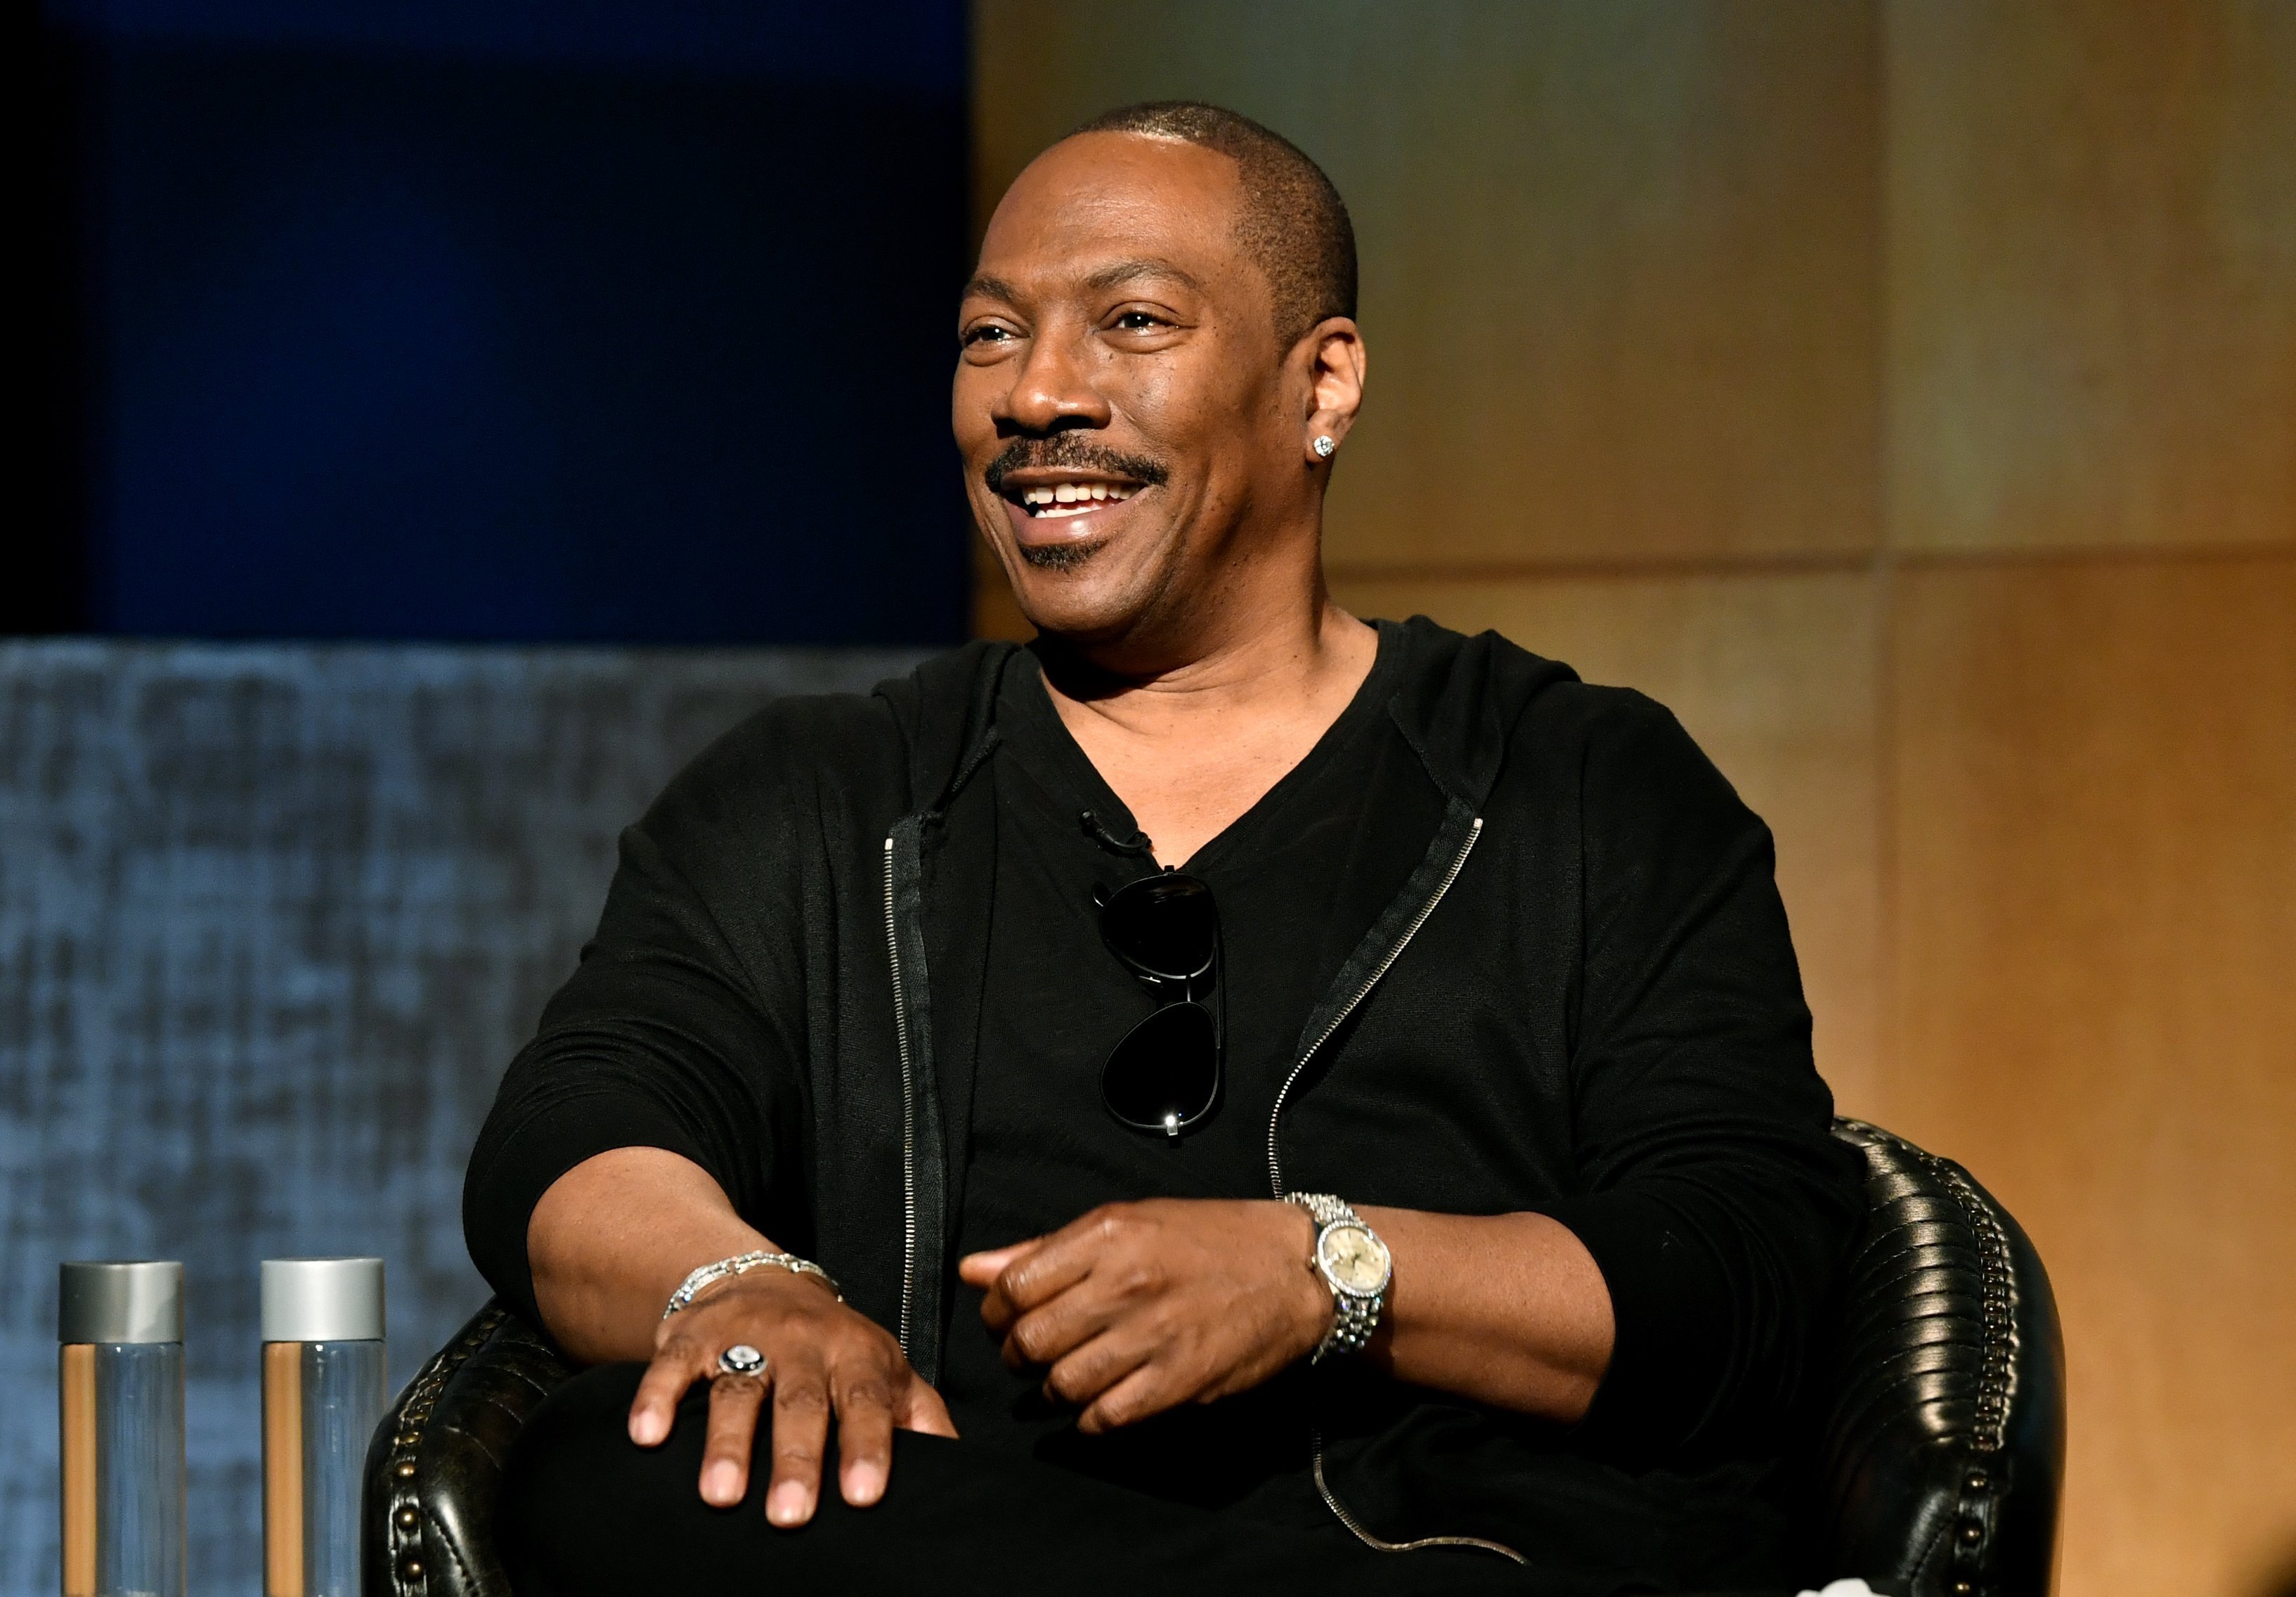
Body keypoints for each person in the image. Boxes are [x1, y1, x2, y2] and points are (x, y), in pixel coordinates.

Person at [466, 101, 1865, 1596]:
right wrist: (739, 1286)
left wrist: (1322, 1274)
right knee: (598, 1459)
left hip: (1468, 1535)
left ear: (1318, 383)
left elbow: (1740, 1269)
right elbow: (582, 1124)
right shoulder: (822, 791)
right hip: (955, 1530)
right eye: (989, 337)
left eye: (1130, 321)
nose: (1038, 394)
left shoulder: (1579, 783)